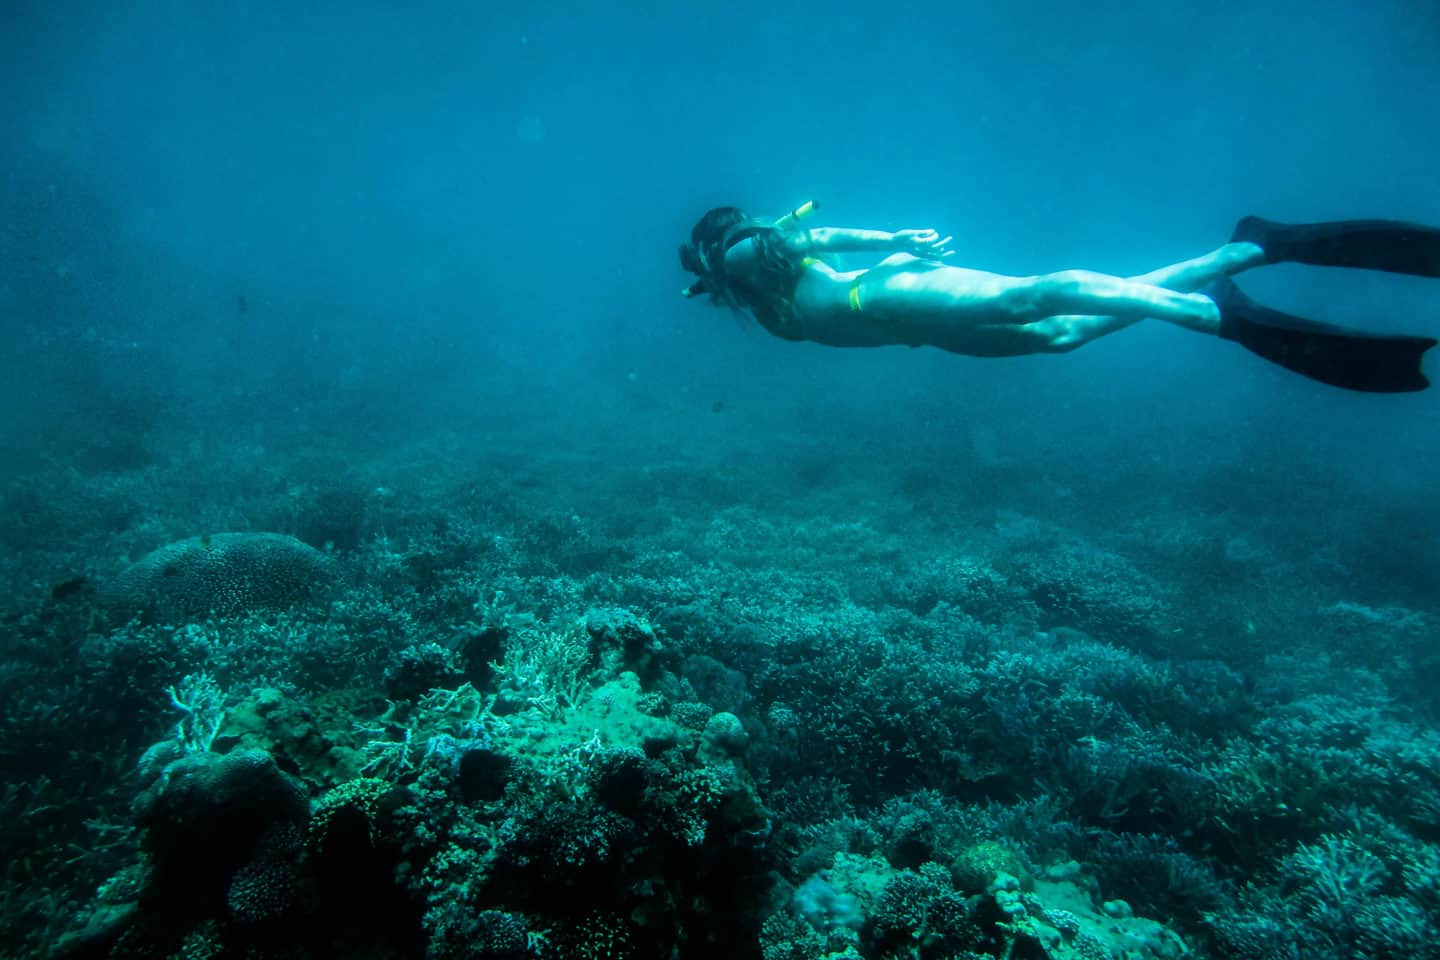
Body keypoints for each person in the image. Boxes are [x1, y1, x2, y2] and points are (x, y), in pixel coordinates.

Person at [678, 202, 1440, 392]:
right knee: (1058, 334)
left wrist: (891, 241)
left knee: (1032, 298)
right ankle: (1239, 255)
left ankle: (1214, 315)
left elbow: (812, 239)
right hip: (907, 325)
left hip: (881, 295)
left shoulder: (747, 252)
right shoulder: (745, 295)